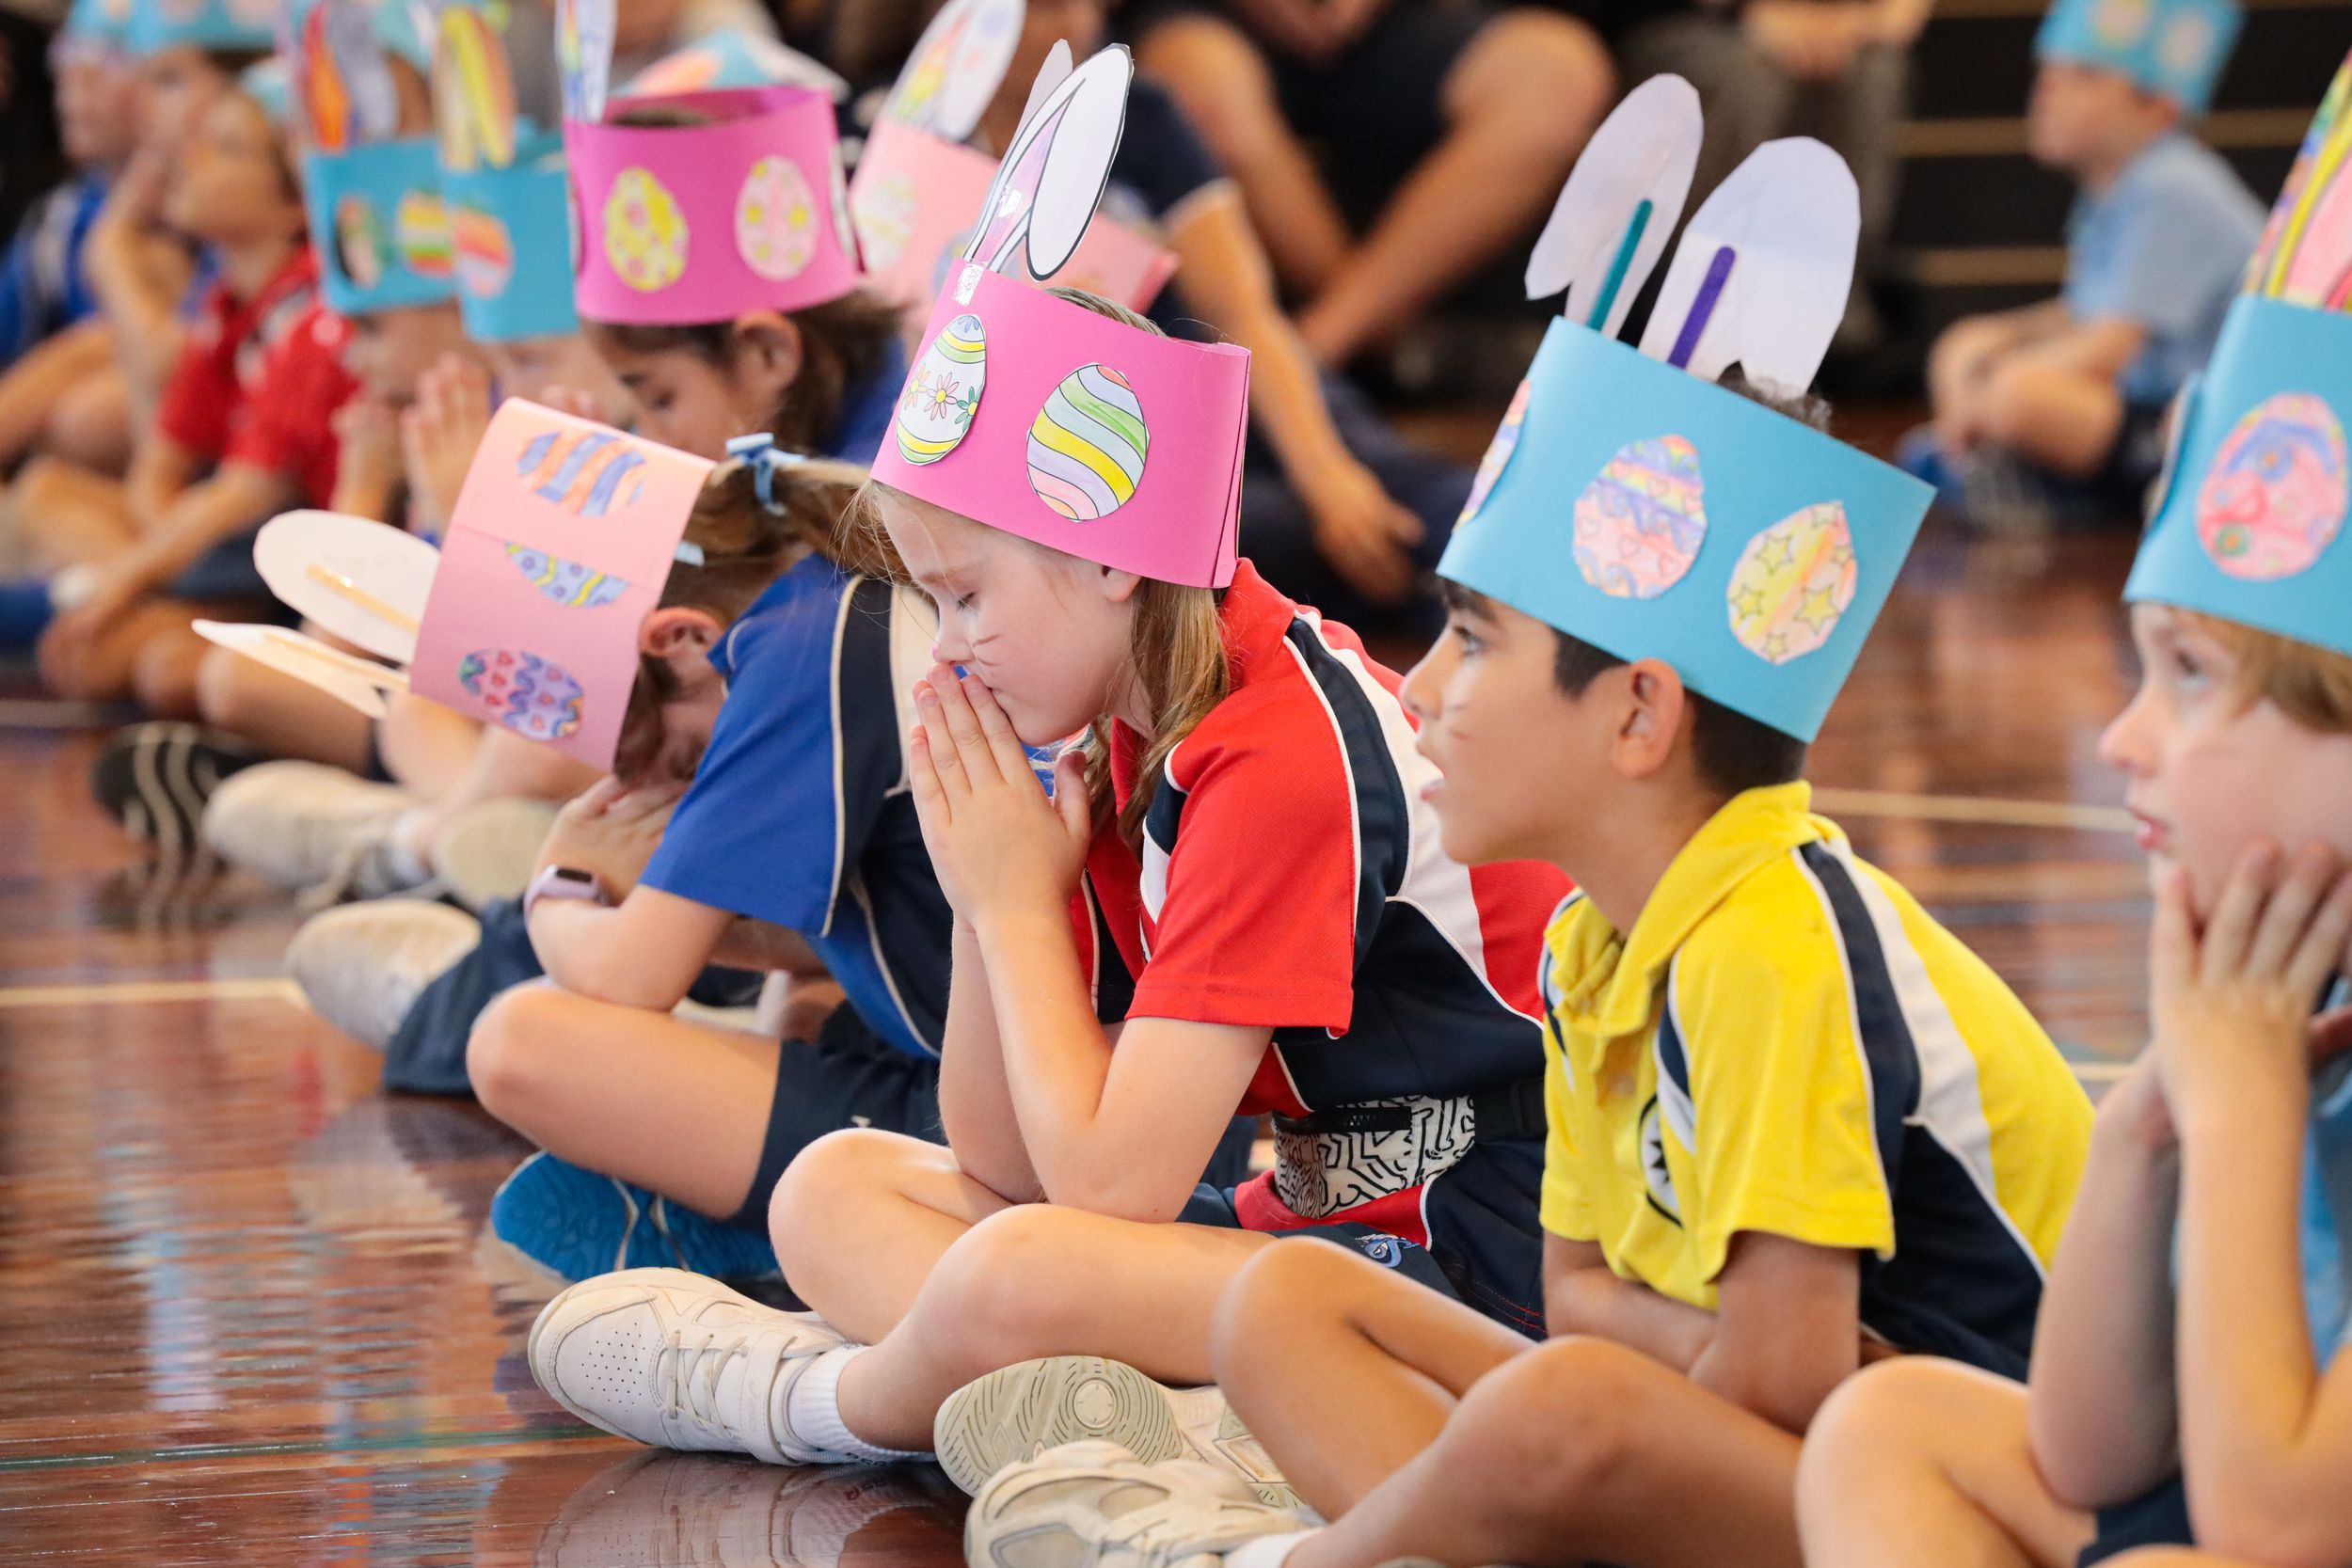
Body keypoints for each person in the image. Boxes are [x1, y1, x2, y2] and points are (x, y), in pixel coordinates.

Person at [960, 93, 2093, 1568]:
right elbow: (1587, 1302)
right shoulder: (1589, 940)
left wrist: (1636, 1347)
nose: (1421, 687)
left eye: (1475, 641)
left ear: (1637, 715)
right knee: (1290, 1304)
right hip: (1782, 1443)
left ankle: (1296, 1556)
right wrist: (1641, 1342)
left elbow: (1772, 1381)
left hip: (1979, 1499)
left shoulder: (1769, 943)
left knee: (1565, 1414)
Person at [521, 49, 1568, 1497]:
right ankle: (1168, 1424)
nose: (946, 646)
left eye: (964, 596)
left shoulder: (1276, 746)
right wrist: (987, 888)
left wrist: (1012, 908)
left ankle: (823, 1399)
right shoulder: (1107, 723)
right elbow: (1003, 1152)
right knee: (840, 1187)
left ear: (1108, 559)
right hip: (1323, 1211)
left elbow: (1108, 1187)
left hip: (1487, 1242)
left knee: (1017, 1267)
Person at [1799, 59, 2352, 1568]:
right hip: (2245, 1486)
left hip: (2277, 1511)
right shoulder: (2278, 985)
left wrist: (2242, 1111)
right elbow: (2088, 1444)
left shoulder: (2267, 1051)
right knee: (1893, 1425)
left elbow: (2278, 1521)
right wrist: (2154, 1121)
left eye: (2191, 674)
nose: (2124, 733)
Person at [1902, 0, 2263, 531]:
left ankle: (2050, 487)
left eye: (2084, 77)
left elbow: (2107, 348)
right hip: (2148, 405)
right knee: (1973, 349)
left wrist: (1986, 397)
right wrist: (1983, 342)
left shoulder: (2173, 185)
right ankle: (2021, 473)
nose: (2047, 94)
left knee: (2021, 393)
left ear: (2159, 107)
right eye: (2047, 75)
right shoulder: (2117, 188)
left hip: (2207, 421)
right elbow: (2082, 313)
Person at [1128, 0, 1610, 368]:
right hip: (1208, 18)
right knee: (1197, 86)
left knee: (1558, 71)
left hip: (1389, 26)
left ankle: (1317, 348)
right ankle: (1390, 351)